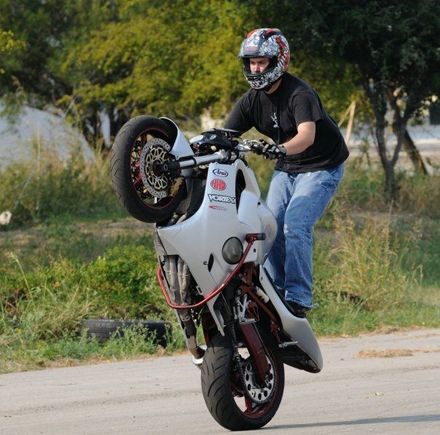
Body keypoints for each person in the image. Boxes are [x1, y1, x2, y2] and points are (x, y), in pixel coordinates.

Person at [224, 28, 349, 317]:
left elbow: (306, 136)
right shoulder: (252, 99)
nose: (255, 68)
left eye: (262, 62)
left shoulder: (300, 94)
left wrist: (278, 149)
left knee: (294, 224)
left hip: (321, 167)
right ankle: (273, 292)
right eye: (251, 62)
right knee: (270, 227)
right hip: (288, 167)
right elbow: (225, 133)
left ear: (279, 61)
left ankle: (298, 298)